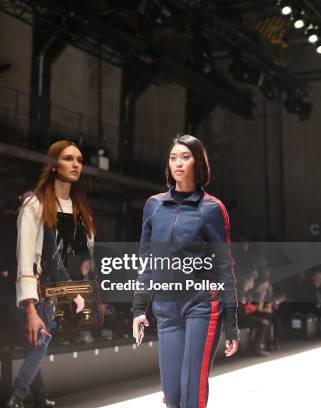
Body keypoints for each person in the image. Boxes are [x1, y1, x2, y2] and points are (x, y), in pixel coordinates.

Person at [131, 134, 239, 408]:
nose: (178, 163)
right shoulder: (154, 205)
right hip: (166, 308)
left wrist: (231, 322)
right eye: (173, 157)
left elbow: (225, 266)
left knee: (192, 392)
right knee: (172, 395)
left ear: (198, 162)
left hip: (201, 304)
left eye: (185, 157)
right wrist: (139, 308)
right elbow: (147, 260)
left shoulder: (211, 208)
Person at [6, 140, 95, 408]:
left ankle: (39, 397)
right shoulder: (35, 204)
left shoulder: (73, 208)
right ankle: (17, 398)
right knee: (41, 344)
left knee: (37, 347)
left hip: (50, 292)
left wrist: (74, 291)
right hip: (35, 294)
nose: (76, 164)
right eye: (69, 158)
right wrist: (31, 309)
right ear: (55, 165)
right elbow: (25, 260)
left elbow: (60, 259)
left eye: (79, 159)